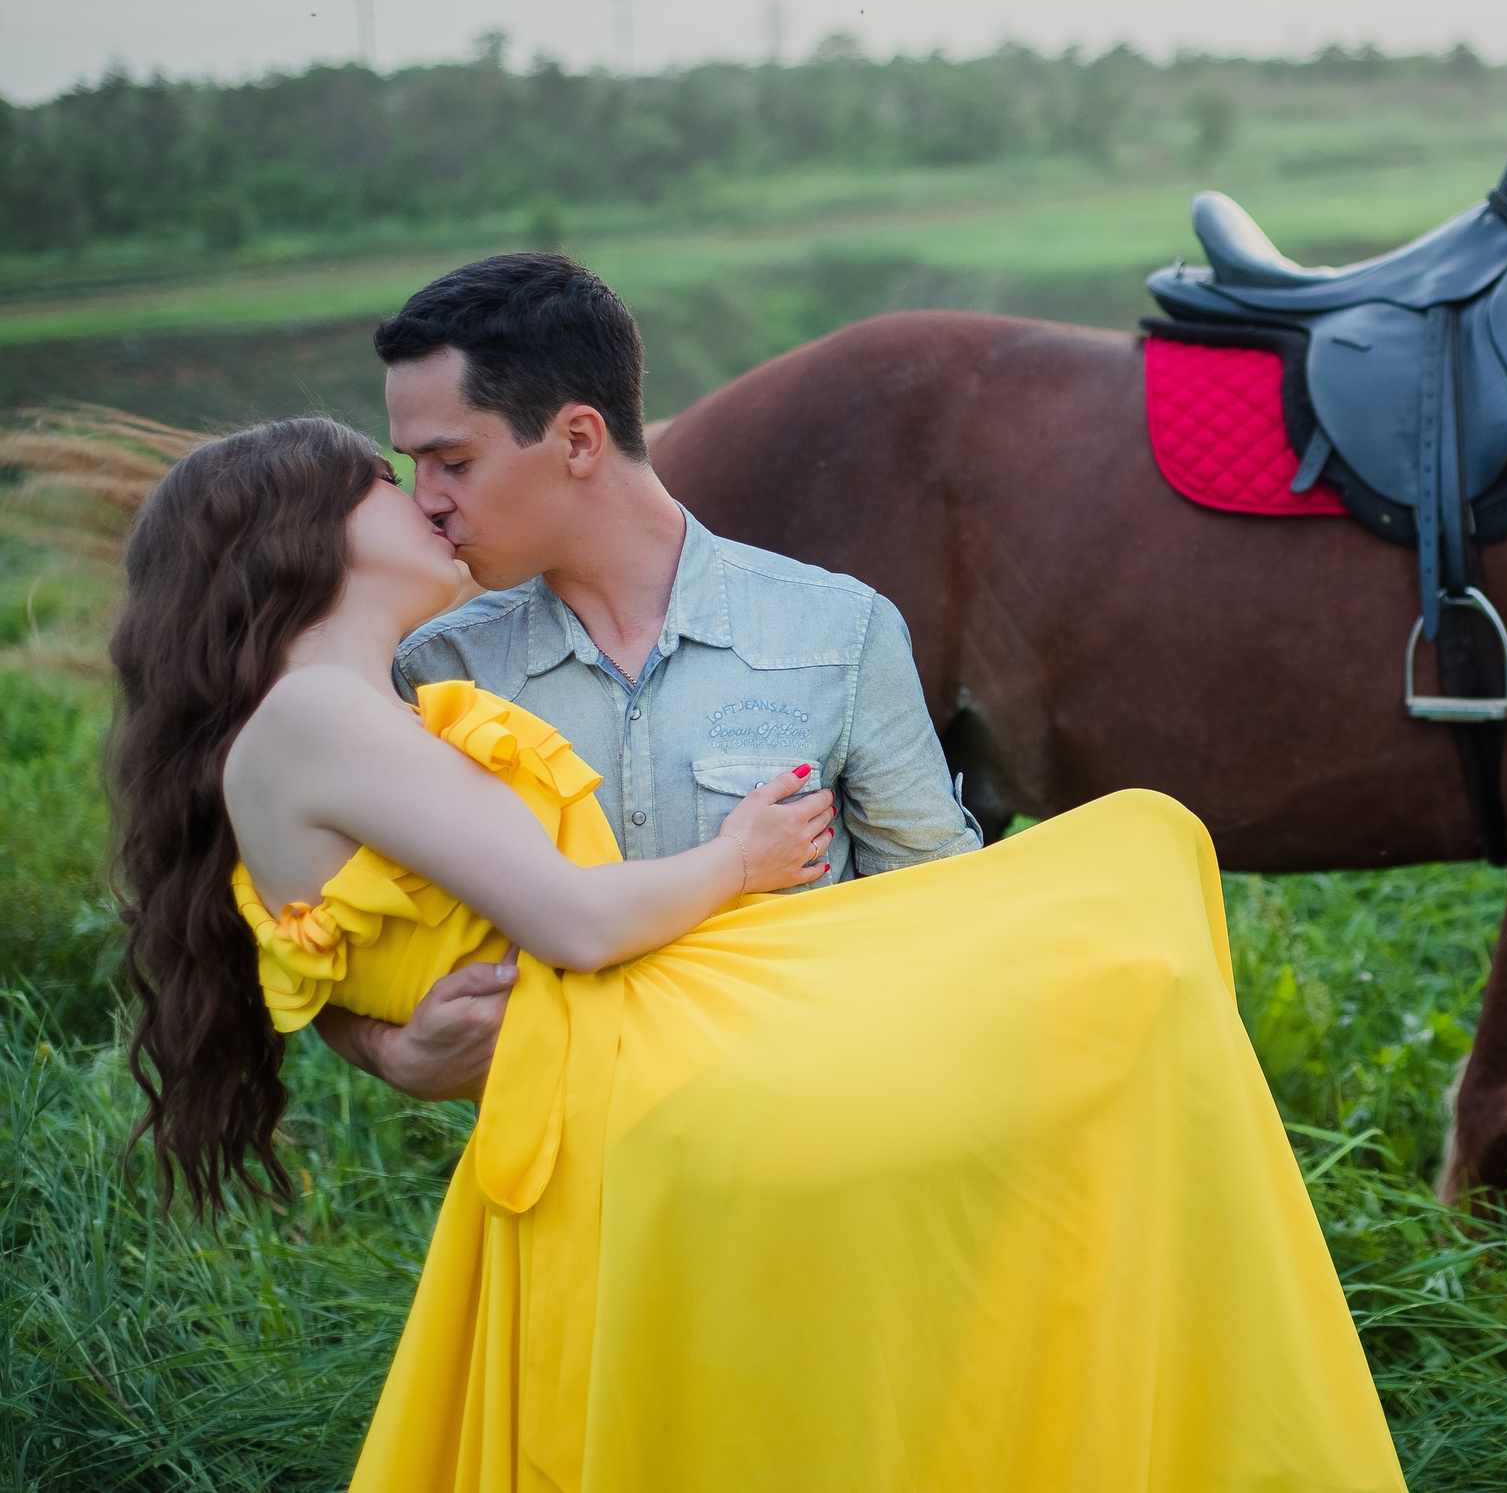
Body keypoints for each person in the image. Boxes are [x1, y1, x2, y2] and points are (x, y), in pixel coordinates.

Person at [111, 415, 1406, 1491]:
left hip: (626, 1047)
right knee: (1124, 889)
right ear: (310, 537)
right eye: (389, 487)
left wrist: (393, 1040)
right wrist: (739, 858)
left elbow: (385, 948)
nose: (428, 505)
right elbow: (570, 917)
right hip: (651, 1041)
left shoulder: (331, 718)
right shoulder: (321, 716)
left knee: (1120, 882)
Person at [321, 254, 979, 1106]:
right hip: (568, 1182)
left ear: (580, 440)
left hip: (815, 1148)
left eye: (452, 461)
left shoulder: (838, 633)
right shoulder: (432, 671)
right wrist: (396, 1054)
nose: (425, 501)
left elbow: (944, 913)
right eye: (411, 465)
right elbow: (325, 939)